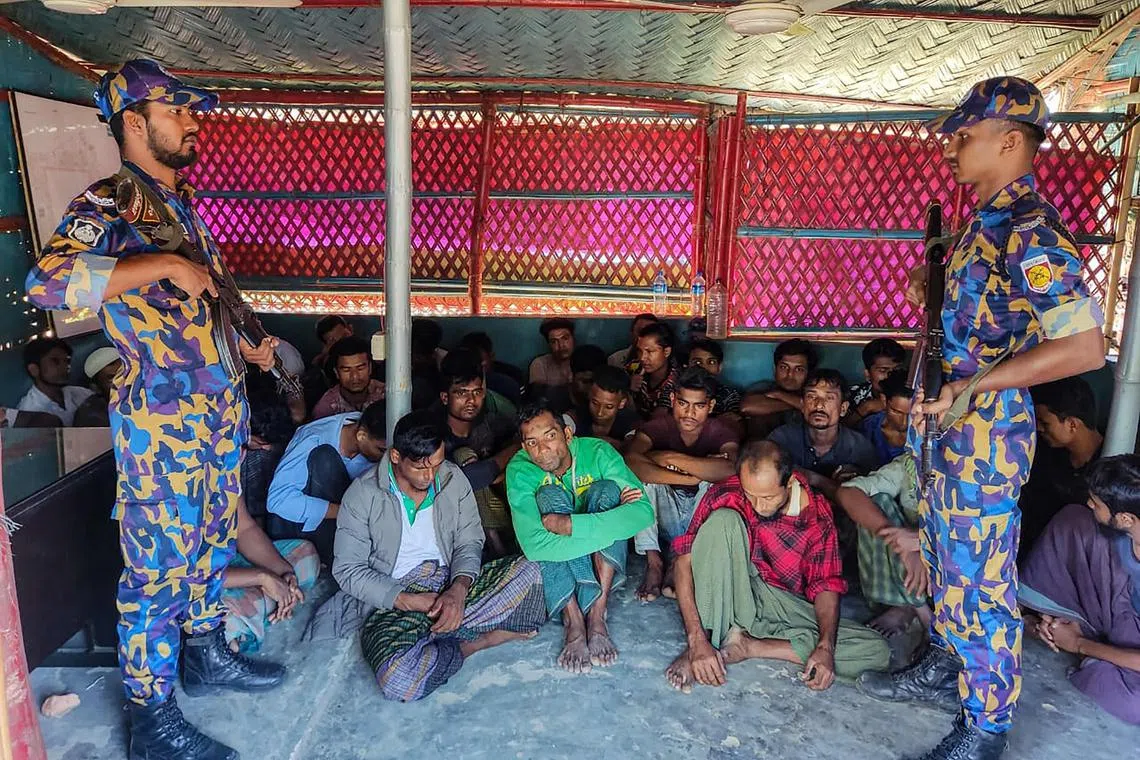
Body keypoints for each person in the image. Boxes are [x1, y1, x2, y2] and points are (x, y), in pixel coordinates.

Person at [24, 59, 287, 759]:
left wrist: (249, 350)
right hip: (162, 423)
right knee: (156, 570)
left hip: (218, 411)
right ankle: (151, 719)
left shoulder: (179, 205)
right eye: (177, 111)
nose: (194, 122)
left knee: (206, 545)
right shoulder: (107, 203)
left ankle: (204, 654)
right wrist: (164, 266)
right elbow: (47, 284)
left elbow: (209, 301)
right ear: (133, 123)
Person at [858, 77, 1106, 760]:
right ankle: (948, 668)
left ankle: (986, 728)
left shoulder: (1030, 228)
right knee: (946, 566)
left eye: (965, 135)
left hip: (985, 437)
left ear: (1010, 139)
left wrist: (981, 385)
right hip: (948, 433)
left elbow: (1083, 345)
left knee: (980, 583)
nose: (952, 146)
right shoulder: (979, 226)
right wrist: (928, 297)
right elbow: (973, 328)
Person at [308, 410, 546, 702]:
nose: (430, 476)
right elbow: (348, 570)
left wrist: (458, 590)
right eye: (421, 468)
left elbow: (470, 540)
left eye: (436, 463)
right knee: (398, 680)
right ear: (395, 457)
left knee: (533, 572)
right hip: (394, 598)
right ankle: (474, 642)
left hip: (448, 583)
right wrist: (407, 600)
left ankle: (442, 634)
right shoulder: (363, 495)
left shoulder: (451, 478)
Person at [664, 440, 889, 693]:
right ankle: (707, 643)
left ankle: (748, 646)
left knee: (875, 650)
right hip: (729, 589)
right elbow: (684, 562)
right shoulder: (725, 494)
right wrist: (696, 640)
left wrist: (825, 648)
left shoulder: (815, 514)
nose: (758, 506)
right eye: (751, 495)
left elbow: (826, 584)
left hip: (779, 604)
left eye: (768, 497)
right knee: (722, 521)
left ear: (790, 481)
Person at [507, 401, 654, 673]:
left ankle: (597, 614)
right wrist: (610, 526)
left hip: (589, 554)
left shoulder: (598, 453)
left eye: (550, 436)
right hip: (562, 552)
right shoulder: (520, 469)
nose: (542, 450)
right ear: (523, 446)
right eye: (532, 442)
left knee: (607, 490)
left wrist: (570, 525)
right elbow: (534, 546)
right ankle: (573, 618)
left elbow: (644, 513)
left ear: (567, 434)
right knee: (548, 496)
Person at [1020, 455, 1140, 726]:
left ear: (1124, 518)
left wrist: (1078, 644)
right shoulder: (1128, 533)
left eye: (1096, 503)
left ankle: (1079, 641)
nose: (1090, 505)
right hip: (1123, 603)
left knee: (1135, 703)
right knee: (1074, 520)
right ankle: (1052, 620)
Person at [625, 368, 740, 602]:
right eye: (683, 403)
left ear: (711, 405)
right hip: (662, 514)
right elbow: (631, 461)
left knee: (717, 485)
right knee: (641, 482)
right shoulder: (658, 426)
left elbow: (730, 469)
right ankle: (654, 561)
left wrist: (668, 458)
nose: (689, 413)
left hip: (699, 520)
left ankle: (680, 558)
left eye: (699, 405)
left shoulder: (721, 431)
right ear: (673, 400)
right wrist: (692, 475)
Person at [266, 404, 388, 564]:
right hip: (296, 527)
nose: (385, 456)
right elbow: (278, 501)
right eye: (381, 450)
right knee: (324, 458)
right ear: (361, 436)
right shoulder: (314, 438)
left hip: (343, 523)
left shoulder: (372, 430)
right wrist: (345, 512)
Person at [835, 452, 931, 642]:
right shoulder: (912, 463)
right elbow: (847, 492)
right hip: (911, 563)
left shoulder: (979, 471)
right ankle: (917, 608)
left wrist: (923, 542)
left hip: (958, 561)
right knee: (876, 503)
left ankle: (931, 625)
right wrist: (901, 544)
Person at [436, 349, 520, 558]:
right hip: (452, 519)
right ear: (445, 397)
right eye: (462, 393)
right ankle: (498, 552)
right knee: (465, 459)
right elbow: (466, 479)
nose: (471, 400)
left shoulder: (495, 424)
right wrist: (513, 450)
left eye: (477, 392)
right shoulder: (434, 432)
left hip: (503, 511)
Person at [1018, 376, 1103, 559]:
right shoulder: (1043, 452)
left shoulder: (1107, 467)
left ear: (1072, 424)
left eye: (1045, 422)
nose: (1038, 428)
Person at [222, 497, 319, 653]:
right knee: (216, 621)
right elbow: (184, 577)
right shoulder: (172, 482)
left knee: (305, 555)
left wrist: (284, 575)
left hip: (225, 561)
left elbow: (244, 529)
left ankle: (267, 603)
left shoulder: (224, 472)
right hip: (185, 584)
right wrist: (262, 577)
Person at [767, 369, 877, 485]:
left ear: (843, 409)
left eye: (829, 398)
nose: (819, 405)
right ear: (802, 405)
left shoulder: (859, 447)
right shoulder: (781, 440)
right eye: (811, 396)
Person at [740, 338, 818, 437]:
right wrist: (801, 404)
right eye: (784, 367)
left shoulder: (816, 393)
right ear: (775, 368)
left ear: (809, 372)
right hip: (763, 450)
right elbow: (747, 406)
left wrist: (780, 395)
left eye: (799, 369)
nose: (790, 375)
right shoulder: (764, 387)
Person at [16, 337, 94, 426]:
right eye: (55, 361)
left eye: (67, 361)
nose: (65, 367)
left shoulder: (81, 393)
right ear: (34, 369)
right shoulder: (29, 412)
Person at [563, 364, 640, 449]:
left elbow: (633, 451)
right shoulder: (575, 416)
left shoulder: (632, 422)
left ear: (622, 403)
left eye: (609, 407)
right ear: (589, 394)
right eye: (595, 403)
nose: (600, 412)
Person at [311, 336, 386, 419]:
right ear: (336, 372)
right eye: (346, 370)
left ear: (370, 368)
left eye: (360, 368)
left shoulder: (386, 394)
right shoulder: (326, 409)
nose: (355, 376)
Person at [845, 338, 907, 426]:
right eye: (883, 370)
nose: (891, 375)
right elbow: (836, 432)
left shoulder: (915, 395)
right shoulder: (851, 395)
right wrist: (865, 408)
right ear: (868, 374)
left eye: (896, 370)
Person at [857, 368, 912, 467]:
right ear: (884, 400)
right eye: (896, 412)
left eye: (912, 414)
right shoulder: (869, 429)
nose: (904, 422)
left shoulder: (926, 432)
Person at [686, 338, 743, 429]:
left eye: (711, 362)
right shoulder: (676, 391)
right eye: (697, 362)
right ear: (687, 366)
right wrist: (717, 420)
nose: (704, 368)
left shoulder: (730, 395)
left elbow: (731, 426)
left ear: (719, 367)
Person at [630, 322, 679, 419]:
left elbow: (658, 419)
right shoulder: (633, 368)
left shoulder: (677, 381)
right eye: (640, 351)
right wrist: (628, 388)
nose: (643, 358)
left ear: (666, 352)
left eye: (649, 351)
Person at [458, 330, 524, 403]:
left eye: (480, 360)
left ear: (491, 356)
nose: (476, 366)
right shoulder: (458, 379)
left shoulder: (513, 376)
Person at [529, 318, 576, 410]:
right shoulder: (540, 364)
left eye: (565, 338)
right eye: (554, 341)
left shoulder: (584, 362)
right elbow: (538, 400)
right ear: (549, 344)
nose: (561, 345)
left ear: (573, 338)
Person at [73, 346, 123, 427]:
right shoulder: (92, 416)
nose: (121, 381)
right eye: (111, 378)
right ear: (96, 388)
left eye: (123, 374)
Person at [569, 344, 608, 410]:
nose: (591, 387)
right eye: (585, 382)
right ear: (571, 377)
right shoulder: (555, 400)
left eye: (595, 382)